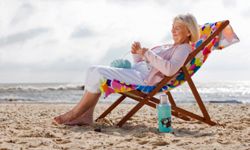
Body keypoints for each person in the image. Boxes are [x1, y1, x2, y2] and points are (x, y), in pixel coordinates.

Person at [53, 13, 199, 125]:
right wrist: (137, 54)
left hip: (144, 79)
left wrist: (147, 53)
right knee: (93, 71)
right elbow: (146, 63)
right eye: (172, 27)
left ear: (188, 32)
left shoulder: (183, 49)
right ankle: (86, 116)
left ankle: (75, 113)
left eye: (177, 28)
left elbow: (169, 70)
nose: (173, 31)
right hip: (138, 72)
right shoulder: (169, 46)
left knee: (96, 71)